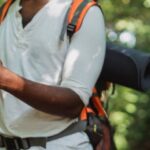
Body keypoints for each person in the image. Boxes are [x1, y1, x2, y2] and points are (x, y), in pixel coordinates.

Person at [0, 0, 106, 149]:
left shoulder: (82, 11)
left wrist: (6, 79)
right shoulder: (6, 10)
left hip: (59, 144)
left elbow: (74, 104)